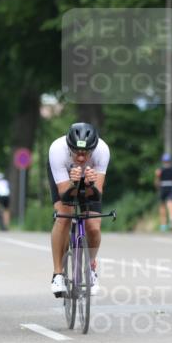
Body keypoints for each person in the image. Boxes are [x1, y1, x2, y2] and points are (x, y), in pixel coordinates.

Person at [49, 122, 110, 297]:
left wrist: (89, 184)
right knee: (63, 218)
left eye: (86, 153)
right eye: (76, 152)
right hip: (65, 183)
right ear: (69, 147)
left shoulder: (102, 151)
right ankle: (58, 274)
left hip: (90, 182)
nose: (81, 158)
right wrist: (74, 183)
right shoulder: (57, 150)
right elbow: (65, 195)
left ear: (94, 148)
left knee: (93, 226)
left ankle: (90, 267)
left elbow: (96, 195)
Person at [154, 153, 172, 231]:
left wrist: (157, 179)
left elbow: (157, 182)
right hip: (168, 187)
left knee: (166, 205)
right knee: (167, 205)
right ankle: (167, 223)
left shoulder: (161, 170)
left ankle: (167, 224)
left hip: (165, 187)